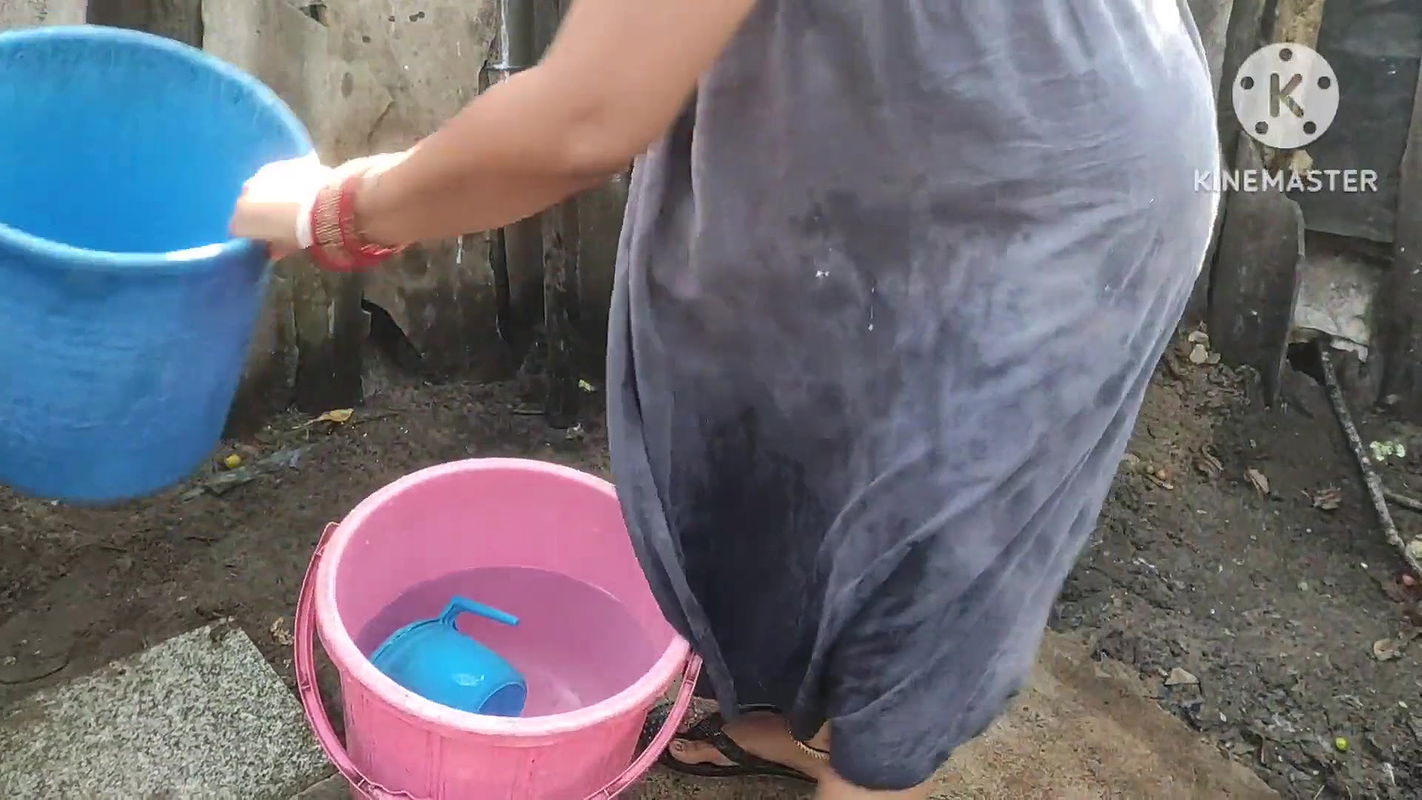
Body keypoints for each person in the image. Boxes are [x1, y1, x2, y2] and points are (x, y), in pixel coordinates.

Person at [230, 1, 1219, 797]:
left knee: (921, 578)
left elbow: (585, 116)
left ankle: (867, 766)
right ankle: (777, 726)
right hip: (886, 130)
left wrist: (335, 210)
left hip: (1054, 192)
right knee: (769, 444)